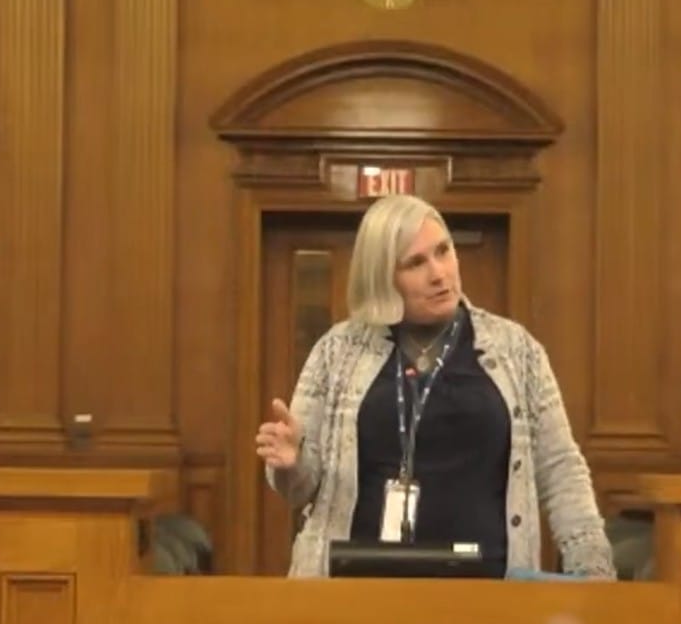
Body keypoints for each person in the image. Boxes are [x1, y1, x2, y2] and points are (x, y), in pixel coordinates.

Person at [256, 194, 616, 579]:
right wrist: (293, 463)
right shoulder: (337, 350)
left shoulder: (516, 349)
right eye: (416, 263)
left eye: (443, 251)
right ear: (382, 276)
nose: (439, 274)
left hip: (488, 586)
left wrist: (593, 568)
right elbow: (299, 489)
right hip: (358, 585)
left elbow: (561, 467)